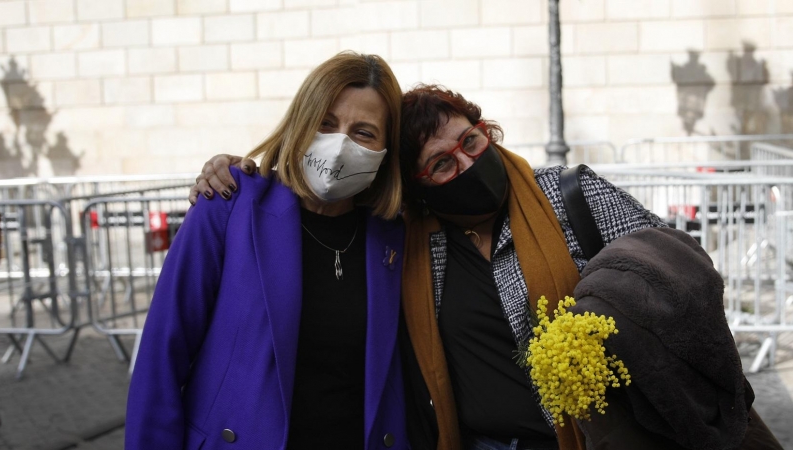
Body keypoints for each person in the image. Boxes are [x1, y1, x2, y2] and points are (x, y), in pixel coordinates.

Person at [190, 85, 773, 449]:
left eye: (471, 141)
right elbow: (321, 193)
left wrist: (601, 317)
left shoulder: (568, 196)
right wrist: (235, 172)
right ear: (416, 187)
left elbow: (681, 262)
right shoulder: (407, 241)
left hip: (610, 440)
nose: (467, 162)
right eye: (441, 165)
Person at [125, 51, 410, 449]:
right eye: (325, 123)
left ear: (384, 151)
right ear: (301, 123)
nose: (339, 144)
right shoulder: (228, 207)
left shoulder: (395, 235)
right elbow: (162, 355)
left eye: (363, 132)